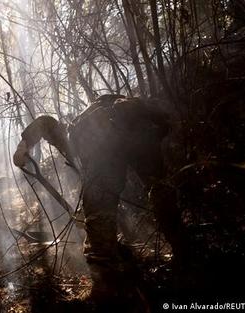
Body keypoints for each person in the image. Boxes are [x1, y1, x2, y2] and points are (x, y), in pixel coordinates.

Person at [13, 95, 186, 299]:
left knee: (98, 208)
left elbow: (45, 122)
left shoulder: (78, 133)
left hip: (112, 142)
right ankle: (183, 250)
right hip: (143, 133)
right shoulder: (120, 109)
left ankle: (106, 282)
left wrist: (22, 148)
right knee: (159, 189)